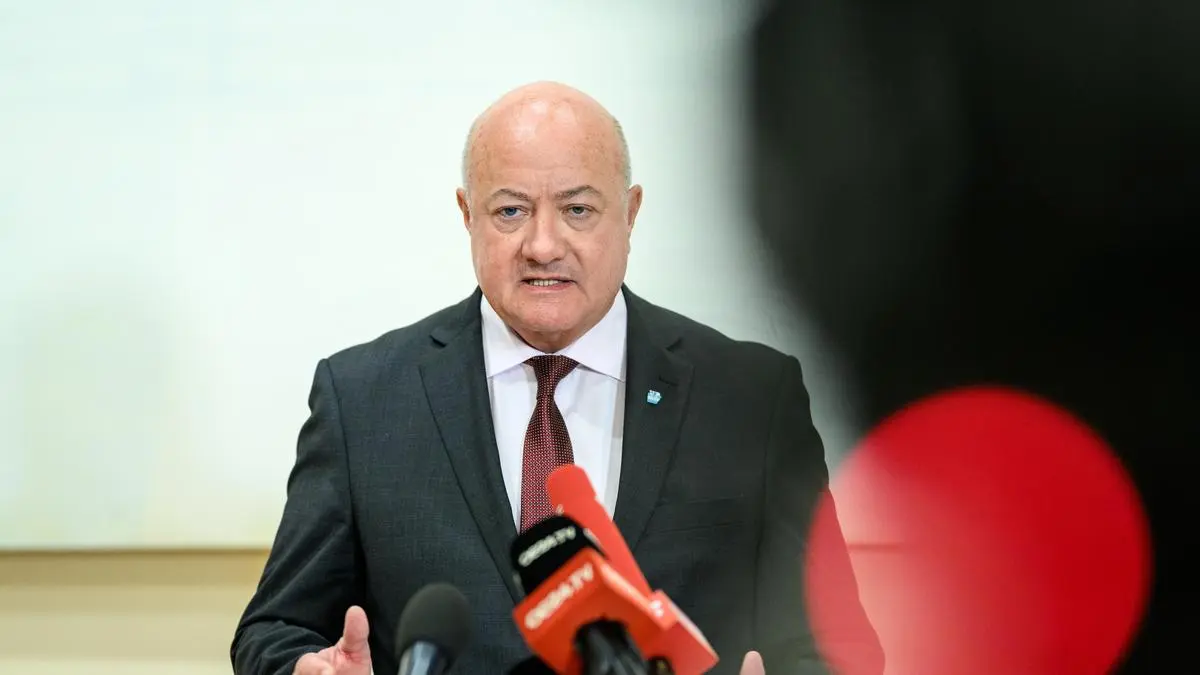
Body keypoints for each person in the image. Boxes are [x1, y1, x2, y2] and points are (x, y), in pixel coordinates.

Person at [231, 81, 882, 675]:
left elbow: (835, 647)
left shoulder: (750, 398)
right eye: (511, 212)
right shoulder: (364, 399)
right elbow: (275, 628)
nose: (543, 245)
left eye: (577, 210)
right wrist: (304, 669)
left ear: (630, 213)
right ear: (467, 214)